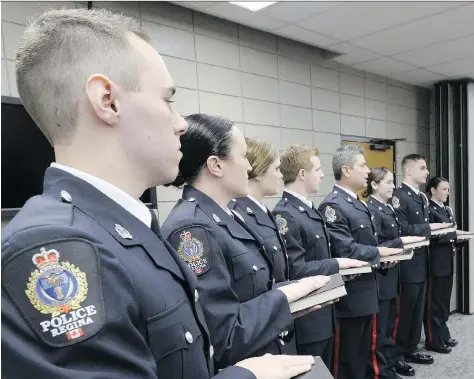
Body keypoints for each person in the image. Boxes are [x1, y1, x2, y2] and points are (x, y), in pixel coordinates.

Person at [1, 9, 317, 379]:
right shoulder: (55, 246)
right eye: (168, 99)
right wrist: (246, 375)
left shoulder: (126, 227)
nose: (181, 123)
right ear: (108, 101)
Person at [161, 114, 330, 369]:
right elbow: (222, 335)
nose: (250, 168)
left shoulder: (226, 215)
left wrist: (296, 294)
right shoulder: (193, 229)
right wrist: (285, 296)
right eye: (243, 157)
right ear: (216, 165)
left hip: (270, 351)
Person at [270, 145, 367, 369]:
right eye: (318, 169)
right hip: (309, 319)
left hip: (324, 310)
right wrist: (338, 264)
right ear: (303, 174)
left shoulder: (308, 210)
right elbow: (296, 269)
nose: (323, 174)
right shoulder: (286, 214)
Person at [318, 145, 402, 379]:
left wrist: (381, 260)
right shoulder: (333, 205)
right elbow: (346, 249)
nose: (367, 171)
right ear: (346, 170)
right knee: (347, 360)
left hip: (368, 290)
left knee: (362, 356)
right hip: (351, 297)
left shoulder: (356, 203)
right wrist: (380, 253)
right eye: (362, 165)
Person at [364, 167, 426, 379]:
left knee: (390, 326)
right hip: (381, 278)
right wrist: (403, 242)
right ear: (374, 185)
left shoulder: (387, 208)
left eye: (392, 182)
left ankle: (389, 366)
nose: (393, 186)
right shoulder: (371, 209)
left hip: (393, 275)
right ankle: (380, 371)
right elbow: (374, 244)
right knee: (379, 331)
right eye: (388, 182)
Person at [390, 155, 447, 371]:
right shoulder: (399, 196)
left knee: (417, 309)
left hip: (423, 261)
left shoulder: (421, 197)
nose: (426, 172)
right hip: (407, 263)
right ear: (409, 171)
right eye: (422, 168)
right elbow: (401, 228)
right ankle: (397, 353)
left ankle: (411, 347)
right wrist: (430, 230)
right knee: (404, 310)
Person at [424, 176, 461, 353]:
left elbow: (449, 234)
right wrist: (452, 235)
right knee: (435, 303)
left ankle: (443, 334)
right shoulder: (429, 210)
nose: (447, 192)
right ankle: (433, 339)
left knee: (444, 301)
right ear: (433, 190)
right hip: (435, 262)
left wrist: (459, 238)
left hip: (447, 260)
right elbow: (430, 237)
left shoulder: (446, 210)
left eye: (448, 189)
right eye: (444, 189)